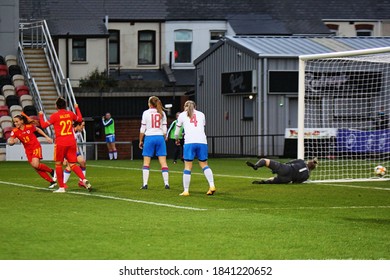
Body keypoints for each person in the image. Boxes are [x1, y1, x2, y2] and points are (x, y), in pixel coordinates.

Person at [39, 97, 92, 193]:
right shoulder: (70, 114)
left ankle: (62, 187)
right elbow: (79, 119)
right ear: (65, 105)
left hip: (61, 142)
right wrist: (77, 108)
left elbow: (43, 125)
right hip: (71, 142)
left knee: (58, 164)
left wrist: (41, 115)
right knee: (72, 164)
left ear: (56, 106)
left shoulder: (55, 116)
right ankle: (83, 179)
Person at [174, 100, 216, 196]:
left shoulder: (182, 115)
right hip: (202, 142)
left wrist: (177, 139)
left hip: (190, 142)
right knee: (204, 164)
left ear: (185, 107)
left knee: (188, 166)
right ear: (195, 107)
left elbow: (177, 132)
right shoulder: (201, 114)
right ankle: (212, 185)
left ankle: (186, 190)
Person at [7, 114, 57, 188]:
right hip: (28, 150)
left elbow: (38, 129)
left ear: (22, 121)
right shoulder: (15, 131)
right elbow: (10, 141)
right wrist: (12, 142)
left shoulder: (29, 127)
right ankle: (51, 182)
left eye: (17, 121)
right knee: (36, 167)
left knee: (35, 164)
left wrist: (47, 137)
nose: (15, 123)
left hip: (35, 147)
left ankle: (52, 171)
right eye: (14, 122)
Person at [139, 96, 170, 190]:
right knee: (163, 162)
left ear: (149, 103)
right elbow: (165, 128)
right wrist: (165, 137)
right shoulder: (162, 113)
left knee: (146, 162)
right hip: (160, 137)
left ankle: (145, 184)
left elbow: (142, 128)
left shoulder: (146, 113)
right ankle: (166, 184)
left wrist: (140, 140)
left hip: (149, 137)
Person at [245, 158, 318, 184]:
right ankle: (263, 182)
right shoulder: (306, 176)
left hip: (286, 169)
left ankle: (256, 166)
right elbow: (296, 182)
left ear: (308, 162)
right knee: (273, 180)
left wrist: (278, 168)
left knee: (264, 161)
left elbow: (290, 162)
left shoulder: (301, 161)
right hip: (287, 179)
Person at [63, 120, 87, 188]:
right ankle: (63, 184)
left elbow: (74, 142)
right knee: (69, 166)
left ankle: (81, 182)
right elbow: (65, 143)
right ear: (78, 125)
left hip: (74, 151)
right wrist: (64, 157)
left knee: (82, 162)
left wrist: (77, 152)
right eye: (82, 125)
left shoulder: (77, 132)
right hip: (67, 151)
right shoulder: (70, 131)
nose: (83, 127)